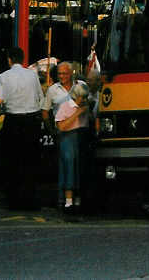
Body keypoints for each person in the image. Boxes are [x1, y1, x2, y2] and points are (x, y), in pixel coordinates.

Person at [0, 47, 44, 210]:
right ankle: (30, 199)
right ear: (22, 59)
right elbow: (39, 97)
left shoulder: (3, 77)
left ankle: (14, 199)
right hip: (31, 120)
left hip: (13, 120)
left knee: (12, 161)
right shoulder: (32, 75)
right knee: (30, 161)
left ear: (9, 59)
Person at [55, 82, 90, 212]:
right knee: (68, 167)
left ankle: (78, 200)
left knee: (79, 168)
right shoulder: (65, 106)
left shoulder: (86, 107)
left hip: (80, 139)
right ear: (76, 96)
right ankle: (67, 201)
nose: (84, 100)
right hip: (68, 139)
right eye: (82, 97)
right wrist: (77, 113)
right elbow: (61, 126)